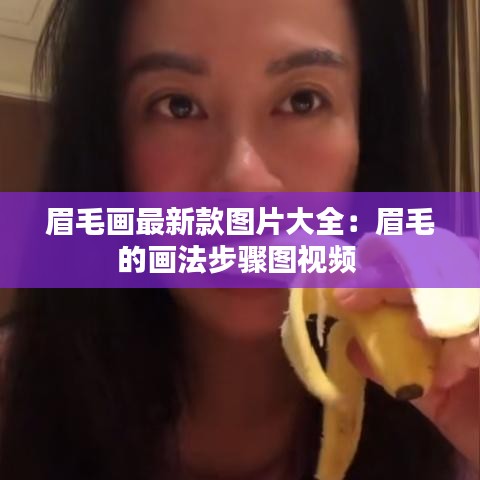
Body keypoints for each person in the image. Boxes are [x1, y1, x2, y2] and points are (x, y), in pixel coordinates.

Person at [0, 0, 478, 479]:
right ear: (109, 149)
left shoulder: (453, 416)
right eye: (178, 106)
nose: (243, 184)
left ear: (368, 135)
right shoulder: (15, 399)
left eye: (303, 101)